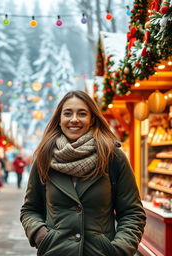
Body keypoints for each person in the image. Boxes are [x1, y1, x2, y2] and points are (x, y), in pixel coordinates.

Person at [20, 90, 146, 256]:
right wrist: (41, 236)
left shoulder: (112, 156)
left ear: (92, 119)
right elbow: (30, 209)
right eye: (67, 113)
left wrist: (119, 250)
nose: (74, 119)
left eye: (82, 113)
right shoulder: (45, 157)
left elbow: (132, 213)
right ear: (59, 119)